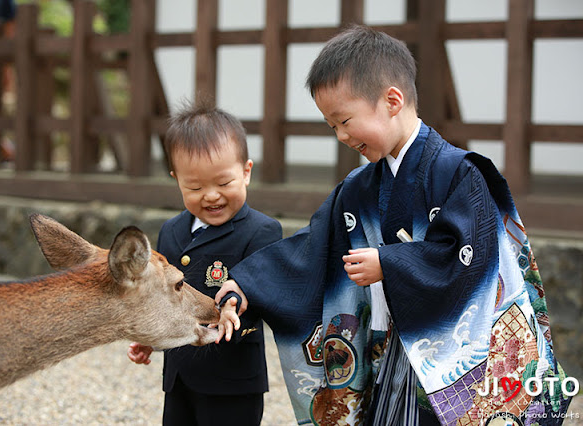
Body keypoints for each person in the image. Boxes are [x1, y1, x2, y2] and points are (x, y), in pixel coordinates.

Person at [215, 25, 571, 425]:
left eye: (345, 120)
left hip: (452, 362)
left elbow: (469, 258)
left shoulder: (459, 174)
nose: (341, 135)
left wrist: (390, 263)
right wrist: (248, 283)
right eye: (332, 126)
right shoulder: (359, 188)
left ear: (392, 100)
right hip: (391, 356)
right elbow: (314, 248)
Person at [126, 101, 282, 426]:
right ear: (177, 180)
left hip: (232, 380)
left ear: (246, 172)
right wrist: (152, 337)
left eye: (224, 183)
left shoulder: (261, 231)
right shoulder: (172, 230)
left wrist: (232, 310)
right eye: (195, 187)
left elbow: (263, 296)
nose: (211, 196)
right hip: (180, 376)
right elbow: (164, 296)